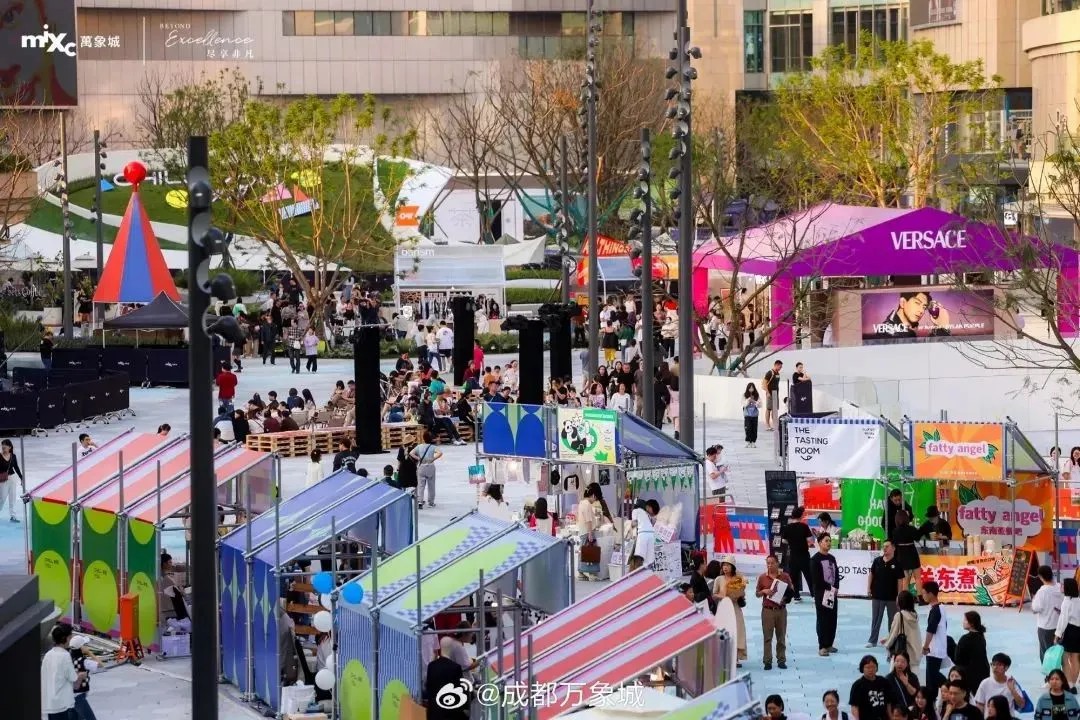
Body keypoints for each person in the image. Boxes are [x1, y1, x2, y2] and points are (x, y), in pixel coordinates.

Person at [756, 553, 793, 670]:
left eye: (772, 563)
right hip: (768, 610)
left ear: (777, 563)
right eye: (768, 563)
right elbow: (757, 593)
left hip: (781, 610)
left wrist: (785, 599)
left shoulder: (785, 576)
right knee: (767, 637)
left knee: (781, 636)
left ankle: (781, 659)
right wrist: (764, 591)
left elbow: (791, 591)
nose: (770, 565)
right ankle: (767, 661)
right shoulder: (762, 577)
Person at [42, 623, 85, 720]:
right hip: (62, 703)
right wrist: (81, 675)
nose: (70, 640)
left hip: (50, 703)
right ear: (65, 638)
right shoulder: (65, 655)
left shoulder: (48, 655)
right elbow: (74, 680)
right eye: (70, 637)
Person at [868, 541, 904, 647]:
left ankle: (892, 641)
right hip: (877, 596)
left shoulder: (897, 563)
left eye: (887, 546)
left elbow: (900, 581)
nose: (884, 548)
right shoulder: (877, 561)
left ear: (893, 548)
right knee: (875, 620)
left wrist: (899, 596)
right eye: (883, 546)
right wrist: (868, 588)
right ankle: (872, 640)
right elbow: (871, 574)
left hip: (892, 597)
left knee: (893, 621)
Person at [713, 556, 748, 666]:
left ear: (732, 567)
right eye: (724, 565)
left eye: (727, 565)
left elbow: (742, 592)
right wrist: (722, 596)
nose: (725, 567)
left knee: (737, 632)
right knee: (724, 632)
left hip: (735, 608)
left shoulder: (738, 579)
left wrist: (739, 595)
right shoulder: (719, 579)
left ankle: (735, 658)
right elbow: (714, 594)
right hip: (723, 608)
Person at [425, 636, 469, 720]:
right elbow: (459, 691)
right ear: (451, 649)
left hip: (434, 712)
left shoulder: (431, 666)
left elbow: (429, 687)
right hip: (450, 712)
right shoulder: (455, 667)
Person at [810, 533, 840, 656]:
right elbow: (816, 579)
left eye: (830, 540)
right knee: (823, 619)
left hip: (832, 593)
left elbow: (836, 574)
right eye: (826, 540)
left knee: (832, 619)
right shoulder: (815, 559)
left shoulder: (832, 558)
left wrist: (836, 587)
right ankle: (822, 646)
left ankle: (829, 644)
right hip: (821, 593)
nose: (829, 543)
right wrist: (829, 588)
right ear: (819, 543)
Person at [922, 581, 949, 704]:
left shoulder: (935, 611)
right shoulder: (941, 608)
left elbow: (930, 630)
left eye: (924, 593)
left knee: (932, 678)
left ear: (931, 594)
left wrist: (925, 646)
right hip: (939, 648)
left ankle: (948, 688)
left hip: (933, 650)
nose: (923, 596)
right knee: (933, 677)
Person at [882, 590, 923, 668]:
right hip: (915, 655)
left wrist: (887, 643)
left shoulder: (899, 616)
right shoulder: (915, 615)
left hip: (902, 656)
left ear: (900, 602)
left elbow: (893, 634)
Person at [849, 655, 897, 720]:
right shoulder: (857, 685)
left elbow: (888, 703)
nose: (871, 670)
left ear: (876, 668)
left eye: (873, 667)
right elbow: (854, 707)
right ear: (862, 668)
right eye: (867, 667)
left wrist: (891, 717)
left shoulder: (883, 681)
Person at [782, 506, 814, 601]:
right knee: (809, 576)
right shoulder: (804, 527)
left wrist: (792, 542)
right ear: (801, 516)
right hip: (804, 555)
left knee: (794, 577)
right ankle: (814, 595)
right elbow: (810, 540)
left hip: (793, 556)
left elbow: (784, 540)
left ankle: (796, 596)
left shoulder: (787, 527)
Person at [1033, 565, 1064, 661]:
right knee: (1059, 654)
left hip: (1045, 627)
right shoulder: (1060, 587)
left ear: (1041, 577)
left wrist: (1034, 599)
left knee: (1046, 654)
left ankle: (1049, 671)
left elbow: (1035, 609)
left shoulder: (1042, 592)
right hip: (1060, 627)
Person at [956, 612, 990, 696]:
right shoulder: (981, 637)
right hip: (983, 671)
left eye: (965, 620)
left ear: (971, 623)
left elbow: (958, 659)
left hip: (970, 674)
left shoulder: (965, 639)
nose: (963, 622)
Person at [892, 510, 923, 596]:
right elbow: (917, 537)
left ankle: (905, 598)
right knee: (917, 578)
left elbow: (894, 543)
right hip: (912, 553)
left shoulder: (895, 531)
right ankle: (920, 597)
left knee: (905, 578)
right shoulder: (911, 529)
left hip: (901, 555)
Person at [69, 635, 99, 720]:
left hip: (70, 696)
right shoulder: (84, 662)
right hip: (79, 696)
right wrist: (89, 652)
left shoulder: (68, 659)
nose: (86, 646)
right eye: (85, 645)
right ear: (81, 648)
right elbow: (100, 664)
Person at [411, 432, 443, 509]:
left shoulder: (419, 446)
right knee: (431, 485)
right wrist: (433, 458)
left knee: (420, 485)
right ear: (431, 439)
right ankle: (431, 502)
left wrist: (418, 458)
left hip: (421, 466)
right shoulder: (433, 447)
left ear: (423, 438)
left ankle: (420, 501)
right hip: (430, 466)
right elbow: (440, 453)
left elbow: (411, 453)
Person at [1058, 578, 1080, 687]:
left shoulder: (1067, 602)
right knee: (1075, 658)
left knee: (1065, 658)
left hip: (1070, 631)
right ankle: (1073, 684)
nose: (1061, 586)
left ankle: (1068, 682)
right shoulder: (1078, 600)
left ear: (1067, 588)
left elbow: (1063, 620)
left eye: (1063, 585)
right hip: (1078, 631)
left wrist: (1057, 634)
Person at [0, 438, 24, 522]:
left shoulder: (13, 456)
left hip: (13, 478)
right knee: (2, 498)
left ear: (10, 447)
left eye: (5, 445)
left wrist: (21, 477)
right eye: (2, 445)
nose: (3, 447)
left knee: (12, 497)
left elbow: (16, 467)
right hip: (3, 479)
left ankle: (13, 515)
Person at [627, 500, 655, 571]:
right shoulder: (646, 513)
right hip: (652, 534)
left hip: (643, 534)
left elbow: (634, 523)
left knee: (639, 556)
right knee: (649, 559)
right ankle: (648, 574)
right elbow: (653, 522)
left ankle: (637, 573)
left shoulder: (635, 511)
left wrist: (630, 526)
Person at [762, 360, 783, 430]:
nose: (780, 368)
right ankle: (767, 425)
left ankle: (775, 425)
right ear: (776, 365)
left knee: (775, 410)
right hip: (770, 394)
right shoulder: (770, 373)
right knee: (768, 409)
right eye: (780, 367)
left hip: (776, 394)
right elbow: (764, 383)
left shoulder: (778, 373)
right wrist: (768, 393)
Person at [743, 382, 760, 447]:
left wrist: (754, 402)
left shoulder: (756, 395)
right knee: (748, 428)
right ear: (747, 388)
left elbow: (760, 405)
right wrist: (748, 400)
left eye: (752, 388)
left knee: (754, 429)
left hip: (754, 415)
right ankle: (748, 441)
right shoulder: (744, 395)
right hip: (747, 415)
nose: (751, 389)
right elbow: (743, 404)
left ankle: (753, 442)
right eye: (750, 388)